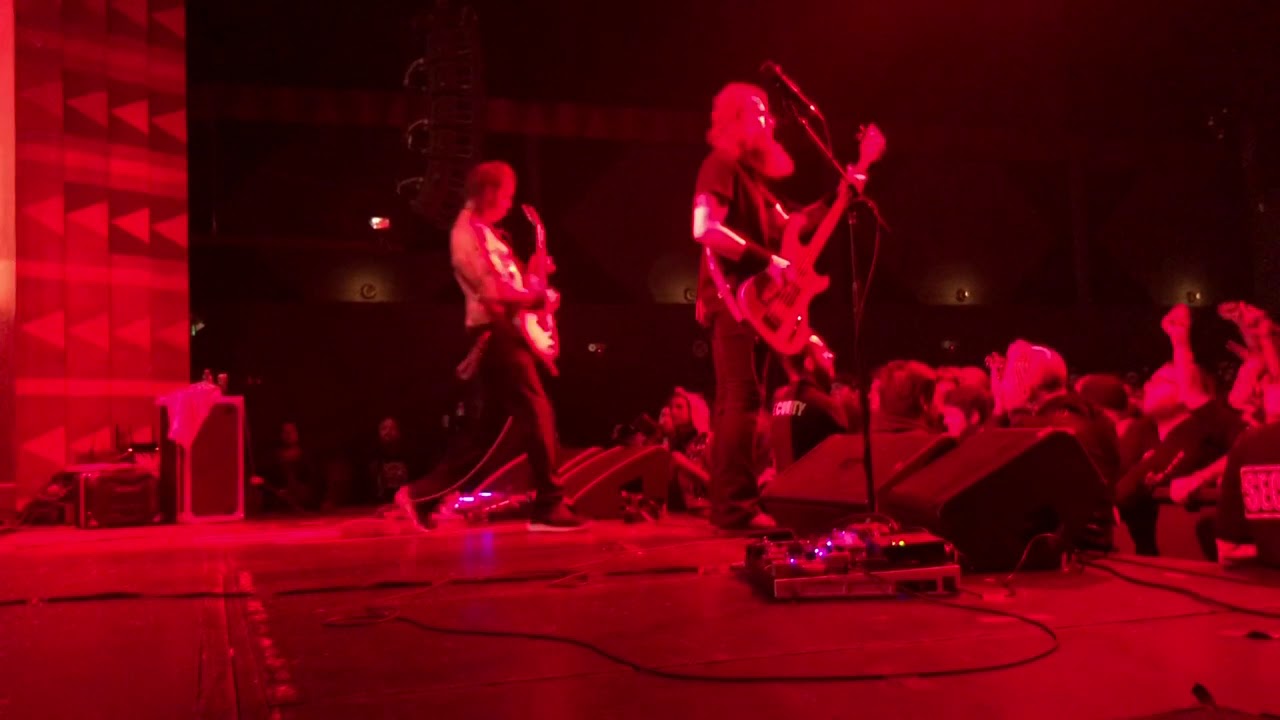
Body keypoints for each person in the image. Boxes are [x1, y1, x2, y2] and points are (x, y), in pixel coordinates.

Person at [691, 82, 857, 531]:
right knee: (739, 401)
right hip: (735, 300)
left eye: (768, 111)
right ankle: (733, 508)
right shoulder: (721, 163)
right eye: (759, 110)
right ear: (736, 119)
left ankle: (733, 503)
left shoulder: (753, 180)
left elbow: (797, 225)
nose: (770, 119)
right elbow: (704, 228)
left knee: (742, 400)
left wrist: (842, 191)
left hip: (758, 304)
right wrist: (768, 260)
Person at [396, 161, 586, 532]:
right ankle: (549, 503)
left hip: (502, 332)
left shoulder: (485, 233)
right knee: (536, 410)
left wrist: (533, 274)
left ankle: (420, 495)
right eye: (506, 195)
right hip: (495, 333)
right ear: (488, 192)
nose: (509, 204)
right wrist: (537, 297)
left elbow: (505, 283)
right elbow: (494, 291)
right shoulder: (467, 234)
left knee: (484, 437)